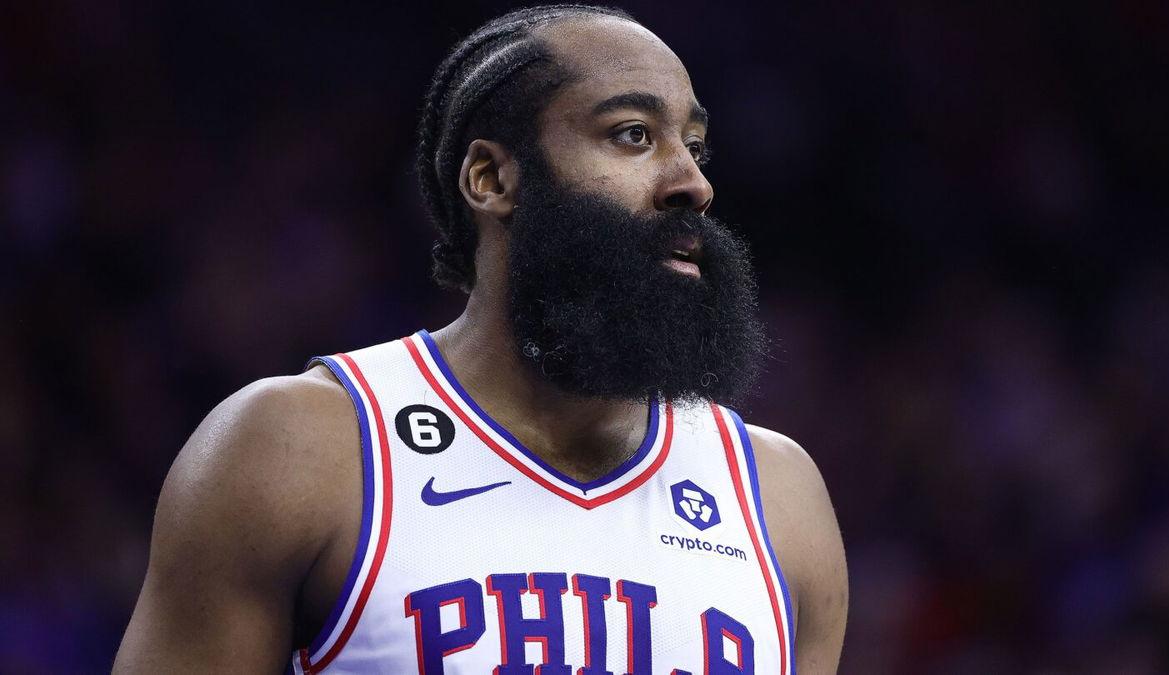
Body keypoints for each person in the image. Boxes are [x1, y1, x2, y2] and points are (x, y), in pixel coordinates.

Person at [114, 5, 847, 673]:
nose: (691, 182)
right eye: (633, 134)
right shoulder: (299, 446)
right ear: (492, 177)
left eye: (693, 145)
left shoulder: (779, 497)